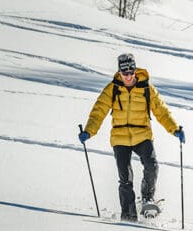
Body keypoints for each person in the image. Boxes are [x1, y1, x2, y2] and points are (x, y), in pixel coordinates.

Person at [78, 53, 184, 221]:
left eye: (130, 72)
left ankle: (147, 197)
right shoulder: (112, 89)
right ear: (119, 72)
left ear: (135, 70)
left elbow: (161, 111)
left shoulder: (146, 89)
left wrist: (174, 129)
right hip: (120, 137)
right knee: (125, 179)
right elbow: (98, 112)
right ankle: (128, 215)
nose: (128, 76)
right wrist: (89, 131)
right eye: (124, 72)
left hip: (142, 134)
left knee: (152, 165)